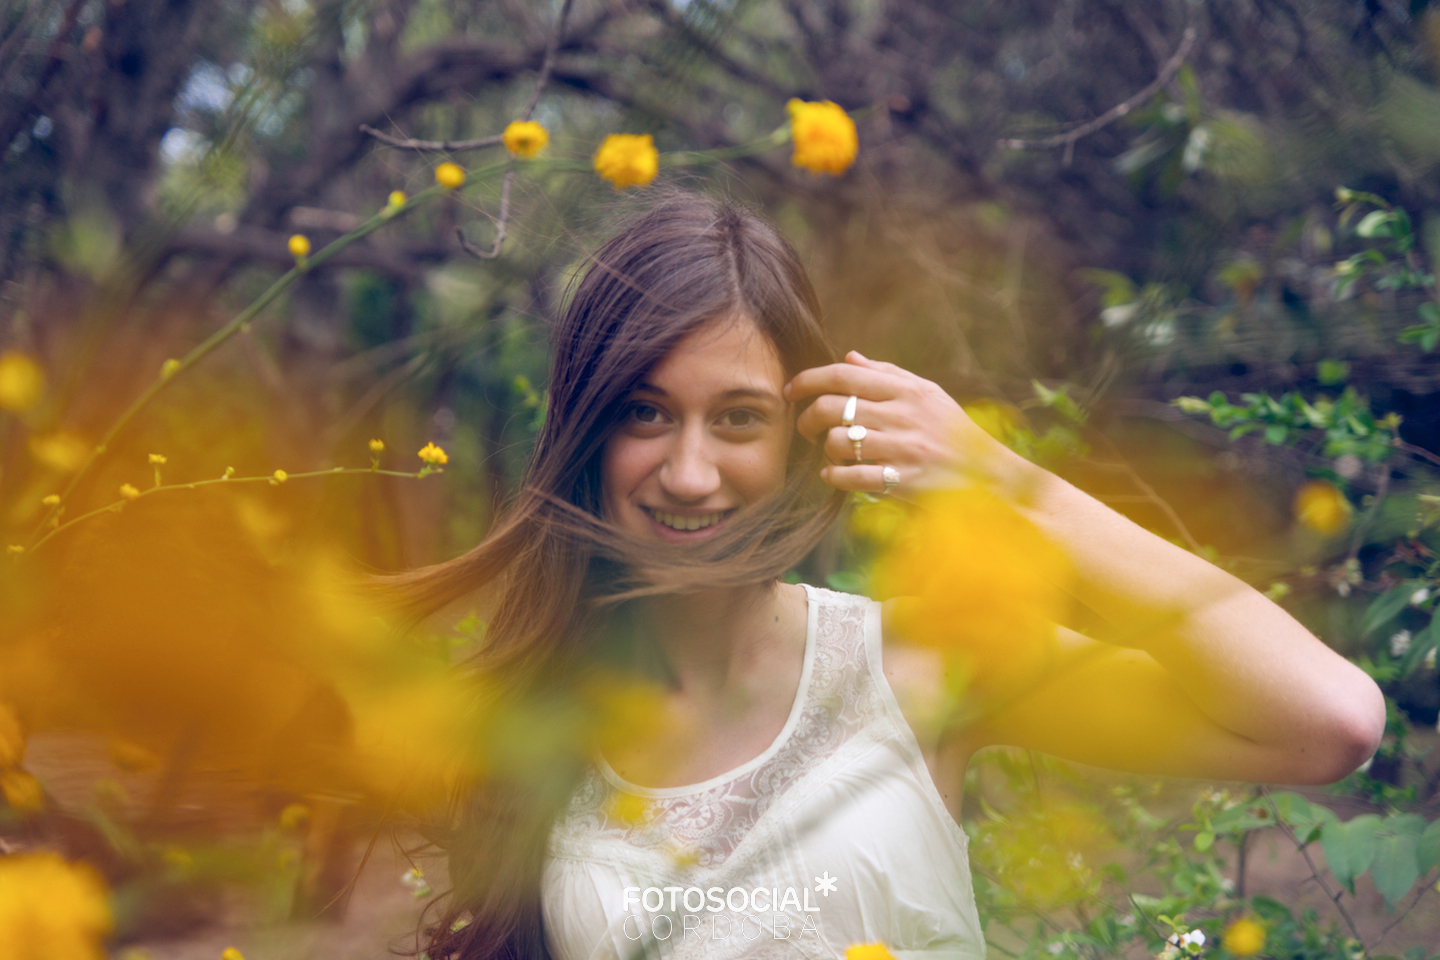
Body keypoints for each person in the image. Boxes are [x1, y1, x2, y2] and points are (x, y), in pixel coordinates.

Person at [388, 190, 1385, 960]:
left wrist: (1001, 477)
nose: (688, 473)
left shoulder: (920, 667)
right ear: (587, 432)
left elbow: (1327, 721)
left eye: (738, 417)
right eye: (645, 412)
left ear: (801, 438)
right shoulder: (533, 721)